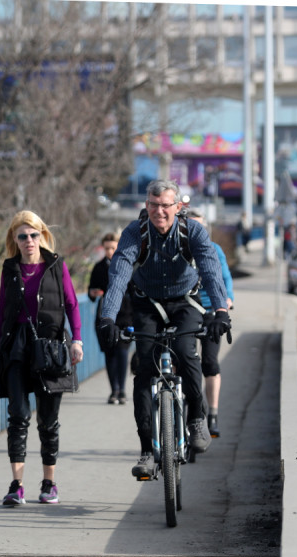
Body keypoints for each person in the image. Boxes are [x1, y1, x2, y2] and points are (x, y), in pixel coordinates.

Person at [95, 179, 231, 479]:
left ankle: (197, 419)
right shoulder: (135, 233)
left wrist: (220, 309)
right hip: (147, 304)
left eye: (166, 206)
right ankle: (146, 450)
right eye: (154, 205)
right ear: (147, 205)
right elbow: (118, 275)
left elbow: (210, 270)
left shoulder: (192, 231)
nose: (159, 211)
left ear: (178, 207)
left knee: (186, 353)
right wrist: (108, 316)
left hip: (185, 303)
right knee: (145, 369)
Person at [0, 210, 84, 506]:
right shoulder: (10, 268)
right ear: (14, 240)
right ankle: (16, 485)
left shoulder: (56, 266)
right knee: (18, 415)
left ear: (43, 235)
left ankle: (49, 483)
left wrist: (76, 340)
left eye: (34, 235)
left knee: (48, 422)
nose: (29, 241)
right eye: (23, 236)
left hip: (51, 348)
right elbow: (3, 313)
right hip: (16, 350)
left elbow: (72, 304)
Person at [186, 208, 234, 438]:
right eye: (190, 227)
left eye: (200, 227)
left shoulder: (213, 250)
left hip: (209, 311)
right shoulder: (179, 249)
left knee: (209, 362)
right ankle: (180, 406)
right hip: (185, 310)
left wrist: (227, 300)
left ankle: (212, 413)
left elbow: (224, 277)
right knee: (181, 359)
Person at [87, 232, 132, 404]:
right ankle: (114, 390)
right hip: (105, 317)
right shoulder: (98, 267)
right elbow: (91, 291)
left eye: (113, 248)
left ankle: (122, 390)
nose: (110, 251)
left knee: (122, 353)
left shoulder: (126, 266)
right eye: (107, 248)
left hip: (125, 316)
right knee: (109, 354)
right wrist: (93, 293)